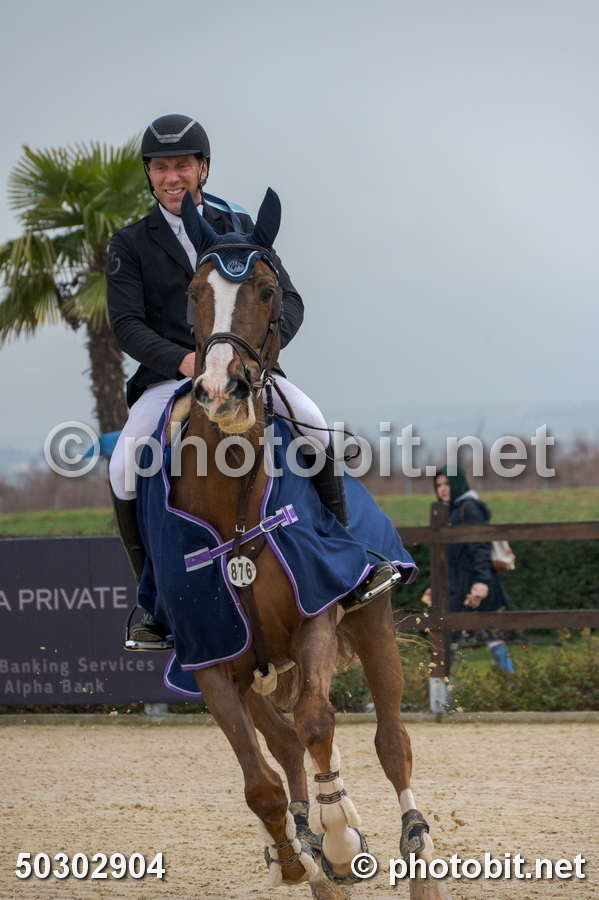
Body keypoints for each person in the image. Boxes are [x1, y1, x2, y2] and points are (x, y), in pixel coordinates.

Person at [106, 113, 396, 648]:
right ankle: (151, 602)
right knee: (124, 464)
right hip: (170, 378)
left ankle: (350, 562)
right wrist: (185, 362)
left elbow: (289, 299)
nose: (172, 177)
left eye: (183, 165)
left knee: (313, 424)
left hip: (248, 372)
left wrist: (257, 359)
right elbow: (126, 324)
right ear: (149, 174)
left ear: (204, 168)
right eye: (161, 167)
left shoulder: (240, 226)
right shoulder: (131, 243)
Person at [421, 465, 516, 673]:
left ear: (458, 484)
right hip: (458, 585)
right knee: (451, 637)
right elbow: (448, 557)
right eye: (438, 485)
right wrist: (436, 584)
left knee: (491, 636)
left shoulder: (468, 508)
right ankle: (444, 689)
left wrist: (481, 581)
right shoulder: (450, 510)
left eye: (447, 484)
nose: (442, 489)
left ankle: (510, 683)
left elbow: (481, 547)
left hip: (474, 584)